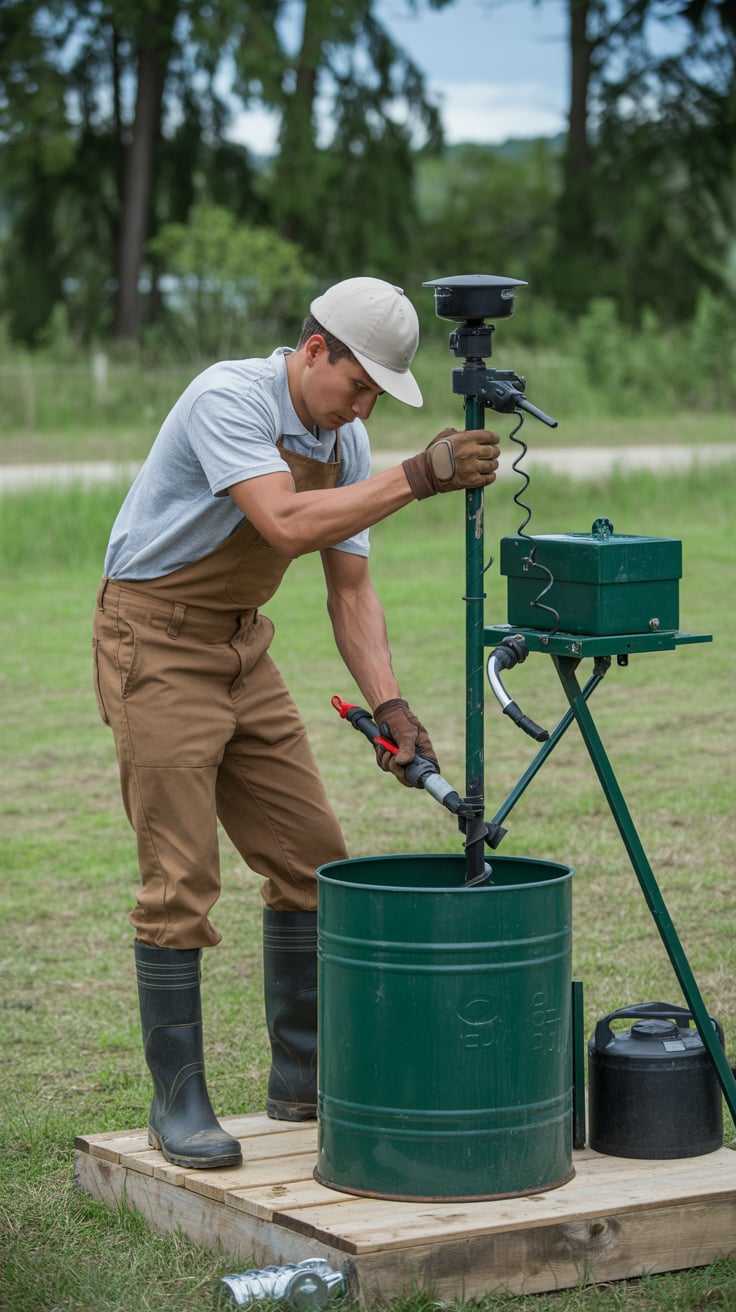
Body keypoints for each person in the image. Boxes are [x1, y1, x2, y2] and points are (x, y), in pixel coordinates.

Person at [92, 276, 500, 1172]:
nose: (362, 408)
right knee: (181, 878)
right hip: (154, 641)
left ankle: (303, 1079)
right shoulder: (227, 397)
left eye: (376, 399)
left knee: (315, 863)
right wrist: (419, 474)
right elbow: (280, 523)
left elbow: (349, 588)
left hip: (245, 649)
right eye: (357, 385)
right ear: (314, 349)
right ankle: (178, 1103)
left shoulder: (346, 439)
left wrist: (391, 705)